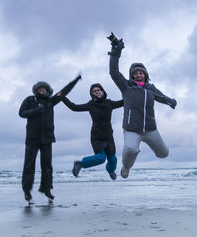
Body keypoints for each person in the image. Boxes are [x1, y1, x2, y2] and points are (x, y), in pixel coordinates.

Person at [107, 33, 177, 178]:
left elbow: (161, 96)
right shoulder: (126, 86)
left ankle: (151, 148)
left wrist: (170, 101)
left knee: (164, 154)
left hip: (150, 129)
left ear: (145, 75)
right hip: (132, 129)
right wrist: (116, 51)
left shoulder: (150, 88)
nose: (139, 75)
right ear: (132, 75)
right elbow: (113, 72)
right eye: (136, 73)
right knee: (131, 149)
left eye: (141, 73)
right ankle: (126, 167)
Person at [18, 75, 81, 203]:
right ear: (36, 90)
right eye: (40, 89)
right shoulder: (30, 100)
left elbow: (64, 91)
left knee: (47, 166)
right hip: (32, 139)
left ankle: (46, 189)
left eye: (44, 89)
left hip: (47, 139)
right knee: (29, 165)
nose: (42, 91)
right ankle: (27, 191)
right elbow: (22, 113)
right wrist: (37, 110)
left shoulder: (51, 101)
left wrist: (75, 80)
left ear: (48, 91)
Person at [61, 82, 125, 180]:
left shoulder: (109, 103)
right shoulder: (91, 105)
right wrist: (62, 97)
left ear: (102, 91)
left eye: (98, 90)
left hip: (109, 135)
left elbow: (123, 102)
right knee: (101, 158)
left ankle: (110, 171)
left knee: (113, 160)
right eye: (94, 91)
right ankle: (80, 164)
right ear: (92, 94)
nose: (97, 92)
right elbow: (74, 107)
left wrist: (132, 93)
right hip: (97, 135)